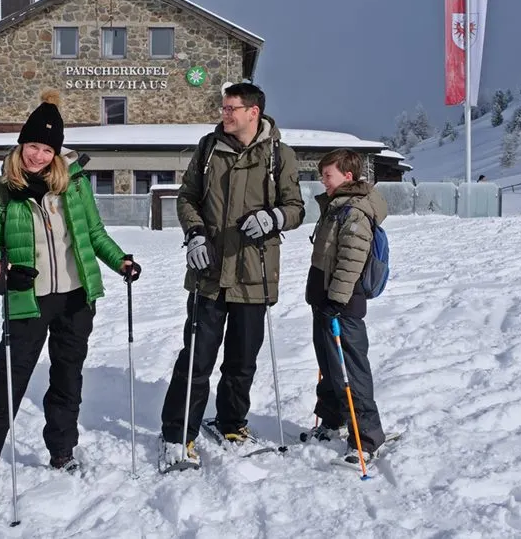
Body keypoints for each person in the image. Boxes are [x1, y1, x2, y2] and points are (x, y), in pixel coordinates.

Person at [0, 90, 140, 504]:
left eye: (46, 149)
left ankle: (62, 451)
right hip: (28, 299)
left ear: (57, 153)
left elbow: (94, 234)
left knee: (67, 379)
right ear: (20, 145)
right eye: (32, 146)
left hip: (76, 298)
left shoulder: (74, 187)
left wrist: (121, 262)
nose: (38, 156)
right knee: (8, 385)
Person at [159, 81, 305, 467]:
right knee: (196, 359)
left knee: (242, 361)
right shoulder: (208, 149)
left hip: (254, 273)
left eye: (230, 109)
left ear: (253, 112)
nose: (224, 114)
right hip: (208, 272)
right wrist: (194, 233)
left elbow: (296, 207)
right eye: (223, 108)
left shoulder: (280, 155)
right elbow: (187, 197)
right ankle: (177, 434)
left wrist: (274, 217)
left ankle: (231, 423)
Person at [303, 148, 387, 464]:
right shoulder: (336, 206)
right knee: (329, 366)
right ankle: (332, 419)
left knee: (352, 370)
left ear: (347, 176)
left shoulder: (354, 211)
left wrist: (336, 300)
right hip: (324, 300)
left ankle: (367, 437)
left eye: (328, 175)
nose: (322, 180)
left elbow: (352, 260)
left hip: (342, 304)